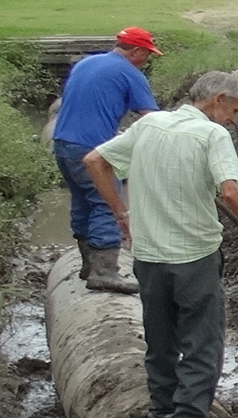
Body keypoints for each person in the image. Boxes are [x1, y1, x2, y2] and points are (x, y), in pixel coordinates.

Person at [81, 72, 238, 418]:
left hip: (149, 257)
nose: (235, 121)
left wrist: (121, 213)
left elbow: (95, 160)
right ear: (218, 100)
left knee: (160, 345)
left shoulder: (149, 124)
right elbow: (230, 189)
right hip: (194, 257)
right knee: (201, 346)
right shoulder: (212, 136)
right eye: (236, 111)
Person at [50, 27, 163, 295]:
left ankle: (88, 265)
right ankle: (105, 272)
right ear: (135, 52)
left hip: (63, 143)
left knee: (81, 201)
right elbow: (152, 119)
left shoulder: (87, 62)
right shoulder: (129, 73)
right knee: (105, 202)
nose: (147, 60)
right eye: (147, 55)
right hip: (91, 149)